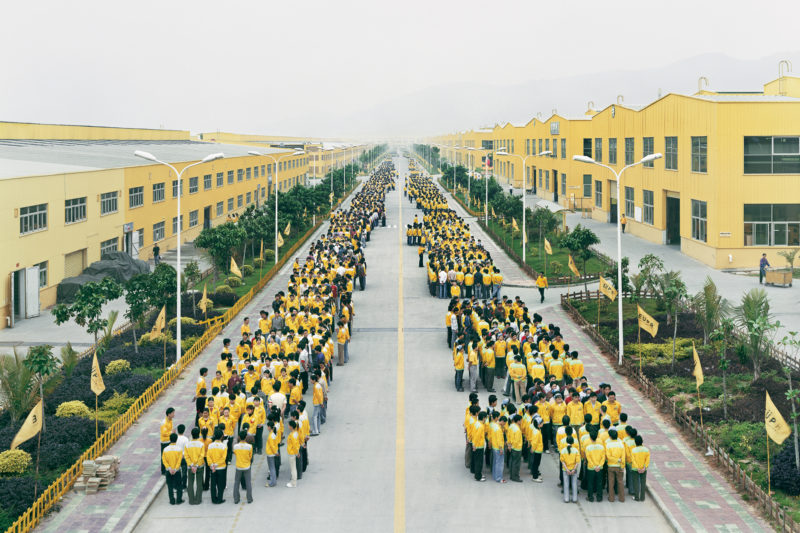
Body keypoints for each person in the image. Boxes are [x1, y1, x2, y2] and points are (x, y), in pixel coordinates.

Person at [184, 428, 205, 505]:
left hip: (190, 467)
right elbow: (201, 455)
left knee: (190, 483)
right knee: (199, 483)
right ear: (199, 434)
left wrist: (192, 465)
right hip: (199, 466)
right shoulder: (201, 444)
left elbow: (186, 456)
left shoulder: (187, 445)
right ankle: (198, 500)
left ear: (191, 435)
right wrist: (196, 465)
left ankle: (191, 500)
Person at [162, 433, 184, 505]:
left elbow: (164, 461)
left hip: (168, 471)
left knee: (170, 486)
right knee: (178, 485)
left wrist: (169, 468)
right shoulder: (179, 449)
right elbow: (179, 460)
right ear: (176, 439)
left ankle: (172, 500)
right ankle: (179, 499)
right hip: (176, 471)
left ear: (170, 439)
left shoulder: (165, 449)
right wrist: (175, 469)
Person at [232, 430, 253, 504]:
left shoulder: (236, 446)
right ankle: (249, 498)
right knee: (248, 483)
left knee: (236, 482)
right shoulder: (249, 446)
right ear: (246, 437)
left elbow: (235, 453)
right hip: (247, 466)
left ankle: (236, 499)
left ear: (239, 437)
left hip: (239, 467)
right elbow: (250, 457)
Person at [207, 429, 228, 504]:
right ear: (222, 436)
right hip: (221, 468)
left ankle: (213, 499)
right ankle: (219, 499)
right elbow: (223, 458)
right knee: (220, 484)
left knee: (213, 484)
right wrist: (216, 464)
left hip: (212, 468)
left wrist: (212, 465)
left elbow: (208, 456)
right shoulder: (223, 446)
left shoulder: (210, 445)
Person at [584, 431, 605, 502]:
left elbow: (588, 458)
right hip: (600, 468)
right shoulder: (601, 447)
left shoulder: (588, 448)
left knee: (590, 483)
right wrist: (599, 466)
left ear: (590, 437)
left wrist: (593, 466)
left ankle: (590, 497)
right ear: (597, 437)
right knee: (599, 483)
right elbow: (603, 458)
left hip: (591, 468)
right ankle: (599, 497)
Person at [605, 428, 626, 502]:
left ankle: (611, 498)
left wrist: (615, 460)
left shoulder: (608, 444)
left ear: (610, 436)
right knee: (620, 482)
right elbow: (623, 456)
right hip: (619, 466)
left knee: (611, 482)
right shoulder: (621, 444)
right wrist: (622, 465)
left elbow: (608, 456)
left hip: (611, 466)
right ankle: (622, 498)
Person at [560, 436, 580, 503]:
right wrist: (574, 469)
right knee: (574, 484)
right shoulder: (576, 450)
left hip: (566, 470)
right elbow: (577, 462)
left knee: (566, 484)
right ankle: (574, 499)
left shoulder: (563, 450)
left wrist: (567, 469)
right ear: (573, 442)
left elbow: (562, 461)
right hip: (574, 469)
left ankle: (566, 499)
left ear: (566, 441)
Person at [630, 435, 650, 501]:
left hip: (635, 469)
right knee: (643, 483)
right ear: (642, 441)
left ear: (635, 442)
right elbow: (647, 460)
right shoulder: (646, 450)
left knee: (636, 483)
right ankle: (642, 497)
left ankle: (636, 497)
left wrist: (637, 468)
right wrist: (644, 467)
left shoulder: (633, 450)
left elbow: (633, 460)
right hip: (644, 469)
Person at [160, 407, 175, 475]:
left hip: (169, 440)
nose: (174, 414)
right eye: (173, 413)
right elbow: (164, 433)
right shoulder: (164, 422)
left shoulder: (170, 420)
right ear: (169, 414)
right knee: (164, 456)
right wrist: (171, 432)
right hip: (165, 441)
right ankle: (163, 471)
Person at [286, 420, 300, 488]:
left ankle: (293, 483)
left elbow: (294, 445)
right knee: (293, 468)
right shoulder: (295, 433)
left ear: (291, 427)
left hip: (292, 453)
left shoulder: (292, 435)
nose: (288, 426)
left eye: (288, 425)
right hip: (294, 452)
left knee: (293, 469)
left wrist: (297, 453)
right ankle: (293, 481)